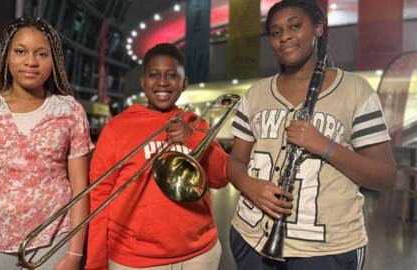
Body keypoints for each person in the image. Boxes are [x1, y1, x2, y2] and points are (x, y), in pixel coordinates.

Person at [226, 0, 396, 269]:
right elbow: (234, 163)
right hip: (251, 238)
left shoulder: (355, 90)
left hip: (325, 251)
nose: (285, 38)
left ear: (318, 28)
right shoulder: (256, 93)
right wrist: (250, 186)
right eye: (276, 32)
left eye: (295, 26)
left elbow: (385, 176)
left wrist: (325, 146)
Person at [0, 17, 93, 270]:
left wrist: (74, 254)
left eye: (42, 54)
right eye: (20, 51)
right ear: (7, 56)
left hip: (53, 243)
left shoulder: (70, 110)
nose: (31, 61)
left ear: (53, 60)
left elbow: (80, 187)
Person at [85, 43, 228, 270]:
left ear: (184, 83)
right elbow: (99, 197)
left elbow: (221, 177)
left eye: (172, 75)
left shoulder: (196, 123)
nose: (162, 82)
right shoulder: (117, 128)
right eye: (154, 75)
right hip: (135, 260)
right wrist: (95, 263)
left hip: (200, 255)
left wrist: (193, 138)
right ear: (142, 82)